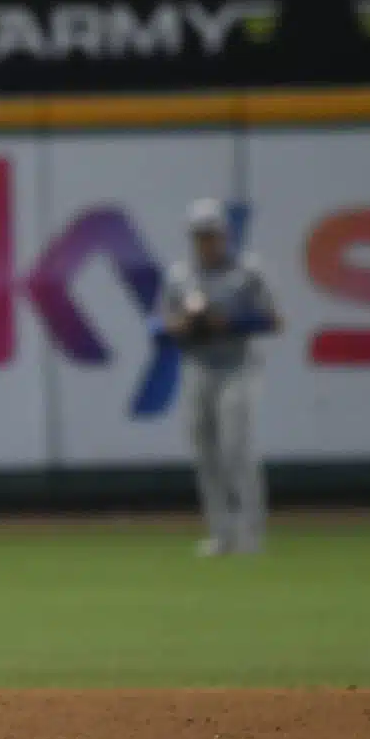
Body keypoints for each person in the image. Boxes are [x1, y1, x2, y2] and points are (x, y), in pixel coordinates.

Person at [158, 199, 282, 557]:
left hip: (238, 364)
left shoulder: (247, 271)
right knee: (205, 450)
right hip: (197, 365)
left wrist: (230, 322)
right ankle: (220, 532)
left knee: (235, 447)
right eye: (199, 235)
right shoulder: (180, 276)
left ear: (224, 234)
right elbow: (159, 323)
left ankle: (251, 531)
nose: (206, 242)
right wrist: (183, 324)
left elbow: (274, 320)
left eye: (211, 234)